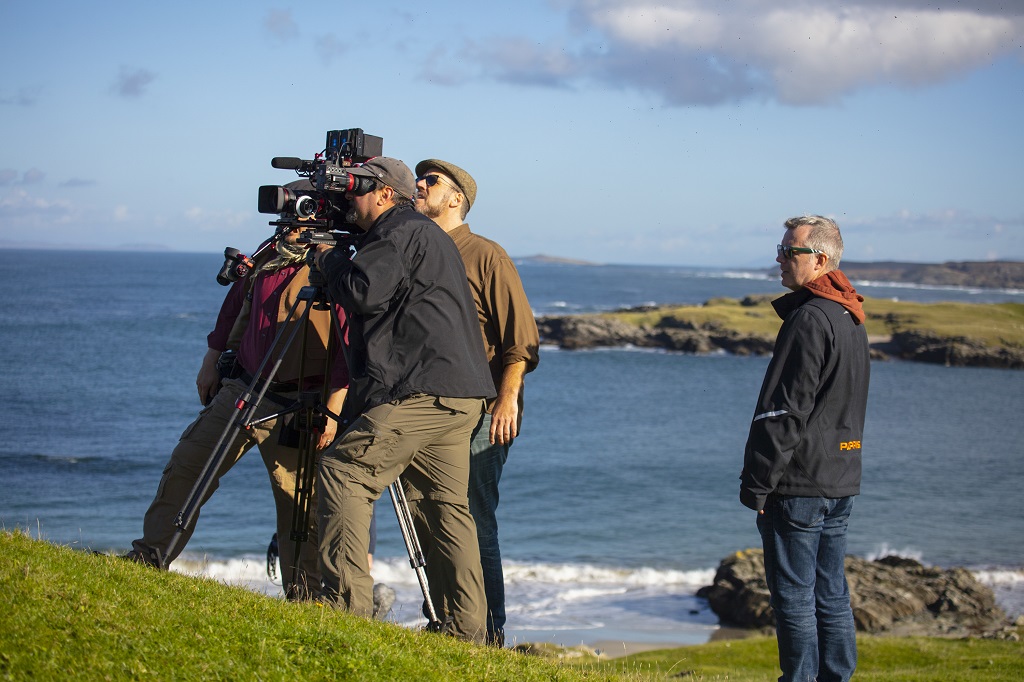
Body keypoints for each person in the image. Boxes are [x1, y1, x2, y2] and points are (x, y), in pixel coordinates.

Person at [312, 157, 495, 643]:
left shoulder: (399, 230)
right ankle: (466, 630)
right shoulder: (422, 233)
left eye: (354, 190)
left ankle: (345, 608)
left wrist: (327, 259)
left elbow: (363, 291)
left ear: (383, 194)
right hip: (461, 396)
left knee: (343, 472)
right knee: (444, 507)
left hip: (422, 390)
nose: (347, 199)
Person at [127, 204, 349, 601]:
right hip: (244, 389)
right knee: (187, 466)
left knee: (300, 507)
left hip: (302, 404)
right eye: (287, 215)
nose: (290, 224)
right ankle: (148, 558)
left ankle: (306, 599)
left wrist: (333, 412)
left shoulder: (336, 268)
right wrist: (210, 362)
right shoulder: (269, 255)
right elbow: (233, 310)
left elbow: (349, 346)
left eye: (300, 215)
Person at [413, 158, 539, 646]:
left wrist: (506, 401)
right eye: (420, 180)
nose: (420, 187)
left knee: (470, 515)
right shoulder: (415, 250)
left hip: (485, 411)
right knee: (431, 514)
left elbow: (521, 341)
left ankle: (488, 630)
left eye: (432, 182)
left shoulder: (487, 254)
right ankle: (446, 618)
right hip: (428, 407)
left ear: (456, 198)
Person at [739, 215, 870, 682]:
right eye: (780, 247)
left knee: (794, 596)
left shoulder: (810, 317)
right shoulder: (849, 313)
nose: (778, 257)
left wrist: (757, 485)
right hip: (840, 477)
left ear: (819, 259)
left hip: (799, 484)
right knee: (830, 592)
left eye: (787, 250)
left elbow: (783, 412)